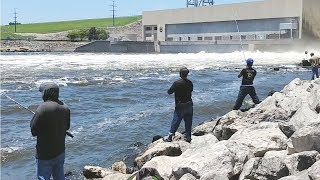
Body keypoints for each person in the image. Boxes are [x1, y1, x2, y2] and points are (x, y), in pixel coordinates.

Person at [30, 82, 71, 180]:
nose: (41, 95)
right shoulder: (65, 107)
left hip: (45, 154)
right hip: (60, 151)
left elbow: (33, 131)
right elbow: (67, 127)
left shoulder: (43, 108)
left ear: (46, 93)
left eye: (42, 92)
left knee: (43, 177)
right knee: (59, 176)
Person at [163, 67, 193, 143]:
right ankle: (188, 137)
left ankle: (170, 137)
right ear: (187, 74)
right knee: (188, 122)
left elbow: (169, 92)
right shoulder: (190, 82)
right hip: (189, 104)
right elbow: (191, 90)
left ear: (180, 74)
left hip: (180, 105)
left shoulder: (177, 83)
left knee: (176, 121)